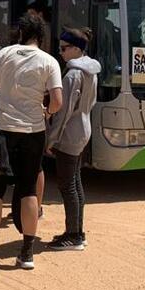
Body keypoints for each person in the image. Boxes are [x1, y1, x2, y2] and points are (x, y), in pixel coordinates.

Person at [0, 14, 62, 270]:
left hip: (3, 131)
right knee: (28, 190)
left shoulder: (5, 54)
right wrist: (46, 112)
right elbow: (57, 101)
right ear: (41, 36)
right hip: (34, 131)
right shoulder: (49, 61)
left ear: (20, 33)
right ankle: (26, 253)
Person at [45, 28, 100, 252]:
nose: (60, 52)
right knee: (75, 182)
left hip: (70, 132)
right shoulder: (91, 71)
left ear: (77, 49)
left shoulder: (73, 74)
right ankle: (77, 231)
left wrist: (52, 138)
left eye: (64, 48)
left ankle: (73, 235)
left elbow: (64, 111)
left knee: (67, 185)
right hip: (84, 128)